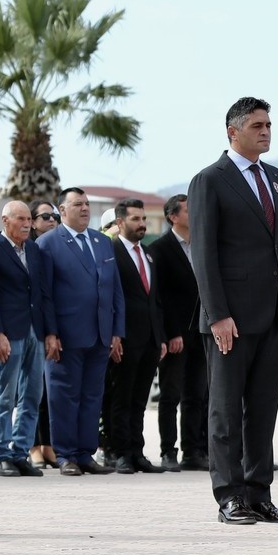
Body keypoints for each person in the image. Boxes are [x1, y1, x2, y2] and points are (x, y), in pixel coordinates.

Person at [186, 96, 278, 526]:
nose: (266, 131)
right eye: (257, 125)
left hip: (272, 315)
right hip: (229, 318)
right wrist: (217, 314)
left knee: (263, 408)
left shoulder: (277, 179)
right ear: (233, 132)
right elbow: (204, 252)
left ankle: (258, 492)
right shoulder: (210, 181)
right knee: (226, 411)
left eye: (269, 124)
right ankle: (230, 495)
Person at [35, 186, 123, 477]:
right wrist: (50, 333)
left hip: (100, 334)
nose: (85, 208)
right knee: (63, 397)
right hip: (65, 336)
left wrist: (116, 331)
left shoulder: (102, 242)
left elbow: (115, 290)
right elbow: (44, 294)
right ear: (62, 210)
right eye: (77, 204)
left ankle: (86, 453)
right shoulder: (48, 243)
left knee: (92, 396)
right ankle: (66, 455)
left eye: (86, 204)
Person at [0, 200, 55, 477]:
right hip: (9, 333)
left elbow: (43, 293)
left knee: (32, 395)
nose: (26, 224)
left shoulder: (34, 249)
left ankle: (21, 452)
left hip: (35, 331)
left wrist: (50, 333)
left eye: (28, 219)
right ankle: (3, 455)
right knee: (6, 395)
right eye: (20, 219)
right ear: (5, 221)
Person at [107, 197, 166, 474]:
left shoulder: (149, 254)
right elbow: (108, 297)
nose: (142, 224)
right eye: (135, 219)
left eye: (143, 219)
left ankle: (137, 451)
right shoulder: (111, 251)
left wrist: (162, 337)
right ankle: (119, 453)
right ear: (120, 222)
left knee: (140, 399)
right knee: (121, 398)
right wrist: (114, 335)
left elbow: (156, 299)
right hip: (125, 337)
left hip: (151, 339)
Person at [150, 193, 204, 472]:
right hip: (176, 336)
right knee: (171, 396)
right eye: (188, 209)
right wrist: (170, 333)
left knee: (198, 394)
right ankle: (168, 450)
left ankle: (194, 451)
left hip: (203, 333)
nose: (194, 213)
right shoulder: (160, 249)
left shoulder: (203, 246)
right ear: (173, 216)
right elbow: (160, 297)